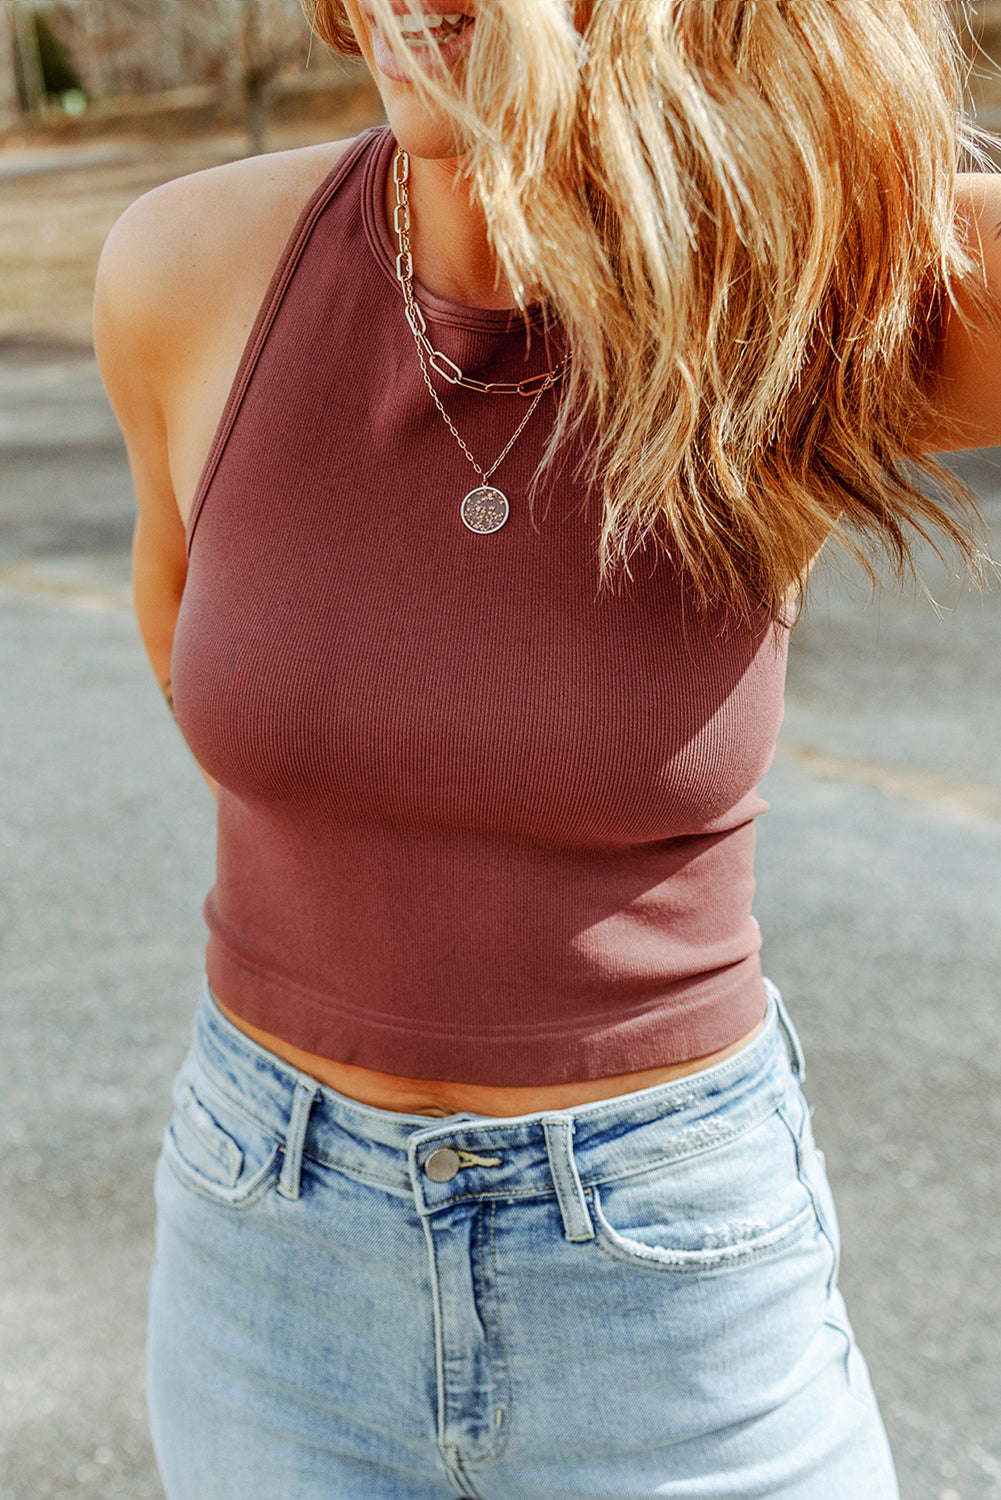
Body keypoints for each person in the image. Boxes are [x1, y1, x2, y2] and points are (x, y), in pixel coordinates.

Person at [93, 2, 1001, 1496]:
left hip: (666, 1260)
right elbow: (206, 684)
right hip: (269, 1252)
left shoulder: (789, 287)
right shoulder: (188, 269)